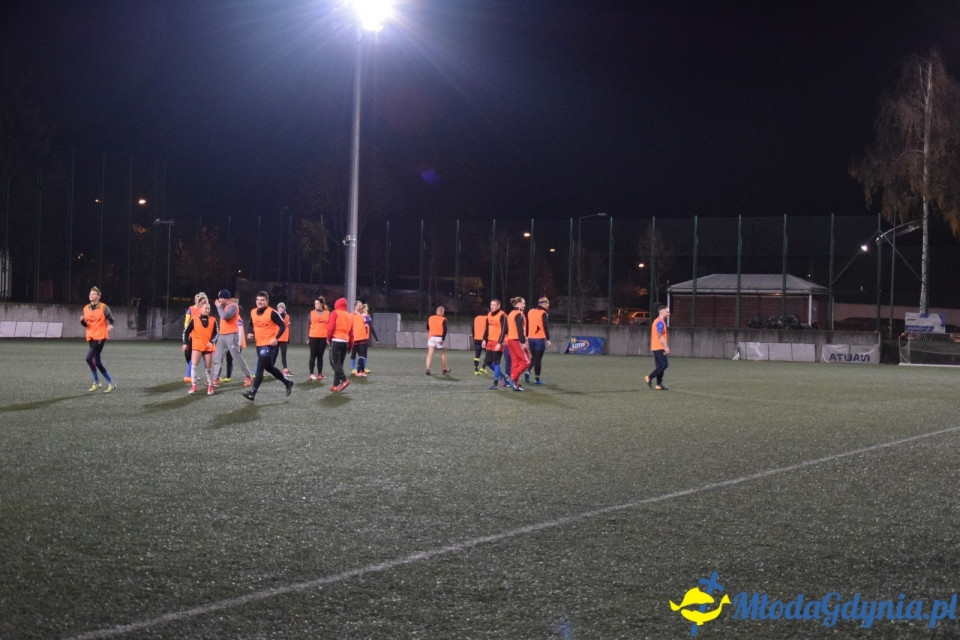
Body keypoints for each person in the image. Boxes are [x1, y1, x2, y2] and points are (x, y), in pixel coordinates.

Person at [242, 291, 294, 401]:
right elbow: (251, 324)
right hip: (259, 344)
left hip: (269, 345)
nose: (259, 302)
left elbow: (282, 326)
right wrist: (249, 332)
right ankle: (287, 382)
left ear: (267, 301)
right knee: (269, 367)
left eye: (262, 300)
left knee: (260, 368)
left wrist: (276, 338)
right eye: (258, 300)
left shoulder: (272, 313)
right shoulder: (253, 312)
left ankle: (253, 392)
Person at [212, 289, 253, 387]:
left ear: (226, 298)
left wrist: (218, 307)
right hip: (222, 335)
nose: (219, 300)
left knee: (236, 356)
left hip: (231, 335)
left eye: (221, 298)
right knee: (218, 357)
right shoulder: (223, 306)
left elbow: (225, 316)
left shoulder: (233, 306)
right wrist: (220, 306)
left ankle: (248, 376)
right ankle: (215, 378)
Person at [80, 286, 116, 393]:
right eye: (90, 293)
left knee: (88, 358)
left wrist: (105, 331)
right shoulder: (86, 308)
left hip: (100, 337)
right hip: (91, 336)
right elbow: (87, 324)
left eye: (94, 294)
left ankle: (96, 382)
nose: (91, 295)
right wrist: (82, 322)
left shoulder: (104, 307)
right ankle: (110, 383)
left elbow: (112, 321)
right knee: (98, 362)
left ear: (99, 296)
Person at [182, 297, 219, 395]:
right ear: (200, 309)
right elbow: (186, 332)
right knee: (194, 366)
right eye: (205, 308)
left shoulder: (213, 320)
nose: (207, 310)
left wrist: (211, 341)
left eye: (208, 308)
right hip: (197, 346)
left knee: (208, 368)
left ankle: (210, 387)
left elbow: (216, 333)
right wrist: (185, 343)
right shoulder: (194, 320)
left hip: (208, 347)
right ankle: (194, 386)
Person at [327, 297, 354, 392]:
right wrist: (350, 346)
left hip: (336, 340)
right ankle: (335, 385)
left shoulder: (335, 313)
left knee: (333, 362)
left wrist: (328, 338)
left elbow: (330, 328)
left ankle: (344, 380)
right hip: (345, 341)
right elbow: (351, 333)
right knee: (339, 364)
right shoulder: (349, 315)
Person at [504, 297, 531, 391]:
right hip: (517, 340)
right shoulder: (519, 314)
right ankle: (512, 379)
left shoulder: (510, 314)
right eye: (523, 303)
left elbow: (506, 329)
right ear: (518, 303)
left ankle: (516, 384)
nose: (524, 305)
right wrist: (523, 342)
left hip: (510, 340)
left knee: (515, 362)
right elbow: (520, 329)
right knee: (526, 361)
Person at [525, 296, 552, 385]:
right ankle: (536, 378)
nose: (548, 305)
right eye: (547, 303)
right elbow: (545, 327)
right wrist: (548, 339)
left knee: (534, 357)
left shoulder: (530, 311)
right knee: (538, 359)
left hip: (531, 338)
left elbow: (528, 324)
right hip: (539, 339)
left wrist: (527, 336)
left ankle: (528, 371)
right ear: (543, 304)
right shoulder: (543, 313)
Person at [482, 299, 508, 390]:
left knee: (496, 362)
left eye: (494, 305)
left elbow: (504, 330)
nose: (492, 306)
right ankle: (503, 376)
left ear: (498, 306)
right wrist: (484, 340)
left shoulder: (503, 315)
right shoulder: (489, 315)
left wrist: (500, 343)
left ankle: (495, 383)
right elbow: (487, 328)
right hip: (490, 341)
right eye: (491, 304)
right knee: (488, 362)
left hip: (498, 342)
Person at [181, 292, 207, 383]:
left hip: (201, 337)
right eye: (199, 299)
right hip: (192, 335)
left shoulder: (204, 309)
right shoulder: (191, 309)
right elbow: (186, 322)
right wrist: (187, 331)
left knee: (205, 355)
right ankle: (192, 373)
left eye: (202, 300)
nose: (201, 302)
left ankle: (191, 374)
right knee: (188, 355)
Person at [645, 305, 671, 391]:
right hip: (659, 347)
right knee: (664, 364)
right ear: (662, 312)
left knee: (660, 366)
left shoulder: (657, 321)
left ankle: (659, 385)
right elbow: (660, 335)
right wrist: (666, 346)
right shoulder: (660, 322)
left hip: (656, 347)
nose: (669, 313)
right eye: (667, 311)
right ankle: (649, 377)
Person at [350, 302, 377, 377]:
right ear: (355, 306)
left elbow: (369, 325)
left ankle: (363, 369)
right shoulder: (352, 315)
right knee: (354, 353)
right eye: (359, 305)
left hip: (364, 337)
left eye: (361, 305)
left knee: (363, 354)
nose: (361, 306)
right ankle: (353, 369)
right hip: (355, 337)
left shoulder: (365, 315)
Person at [307, 296, 329, 381]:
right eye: (315, 304)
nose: (315, 305)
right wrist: (307, 337)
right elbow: (307, 325)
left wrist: (328, 338)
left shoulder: (327, 313)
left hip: (323, 337)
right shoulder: (312, 313)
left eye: (317, 303)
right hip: (313, 337)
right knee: (313, 355)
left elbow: (329, 326)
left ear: (322, 304)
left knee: (320, 356)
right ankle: (311, 374)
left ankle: (320, 374)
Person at [425, 305, 449, 375]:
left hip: (431, 337)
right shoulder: (443, 319)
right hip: (439, 338)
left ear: (436, 311)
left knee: (430, 354)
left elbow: (427, 327)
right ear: (443, 312)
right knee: (443, 354)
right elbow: (445, 330)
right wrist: (443, 339)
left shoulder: (430, 318)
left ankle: (428, 368)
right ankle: (444, 369)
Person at [274, 301, 292, 375]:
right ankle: (271, 368)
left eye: (282, 308)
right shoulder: (275, 315)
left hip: (284, 338)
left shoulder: (287, 316)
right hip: (276, 338)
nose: (281, 309)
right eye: (279, 308)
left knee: (283, 354)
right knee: (274, 354)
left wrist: (288, 338)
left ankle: (285, 369)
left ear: (284, 309)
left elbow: (286, 325)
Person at [472, 309, 489, 375]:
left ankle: (476, 370)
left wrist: (474, 336)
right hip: (484, 339)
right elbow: (488, 329)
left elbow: (472, 328)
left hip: (476, 338)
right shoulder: (487, 318)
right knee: (488, 354)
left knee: (477, 355)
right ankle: (483, 367)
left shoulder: (476, 318)